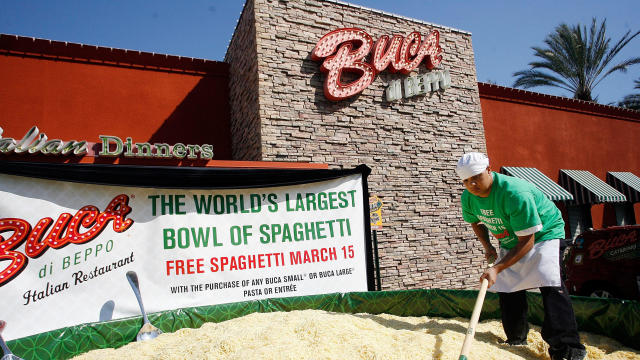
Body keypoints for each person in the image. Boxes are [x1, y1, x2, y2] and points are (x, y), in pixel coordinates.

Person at [456, 152, 586, 360]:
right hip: (512, 238)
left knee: (549, 282)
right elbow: (476, 222)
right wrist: (488, 247)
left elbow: (528, 242)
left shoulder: (514, 193)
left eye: (476, 177)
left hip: (545, 233)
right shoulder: (468, 198)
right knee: (507, 286)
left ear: (489, 170)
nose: (472, 184)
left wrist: (496, 268)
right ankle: (516, 338)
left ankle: (568, 349)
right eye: (466, 181)